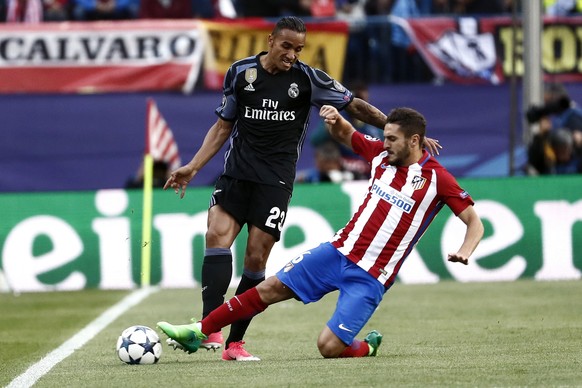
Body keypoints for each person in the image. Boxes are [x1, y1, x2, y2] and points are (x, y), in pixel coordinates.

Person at [163, 16, 442, 362]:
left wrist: (396, 129)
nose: (292, 55)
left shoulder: (308, 79)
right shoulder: (240, 73)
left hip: (275, 180)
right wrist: (193, 166)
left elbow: (353, 105)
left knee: (255, 257)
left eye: (298, 49)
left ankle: (235, 344)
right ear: (270, 41)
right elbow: (223, 127)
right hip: (236, 173)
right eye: (286, 46)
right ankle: (209, 330)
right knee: (216, 235)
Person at [158, 104, 484, 360]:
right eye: (383, 137)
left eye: (392, 139)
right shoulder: (380, 156)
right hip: (337, 252)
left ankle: (365, 347)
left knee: (327, 347)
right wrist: (333, 117)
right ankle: (199, 331)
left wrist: (466, 249)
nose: (384, 144)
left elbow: (474, 221)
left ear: (414, 141)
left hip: (371, 276)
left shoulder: (438, 179)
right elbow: (347, 134)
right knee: (269, 289)